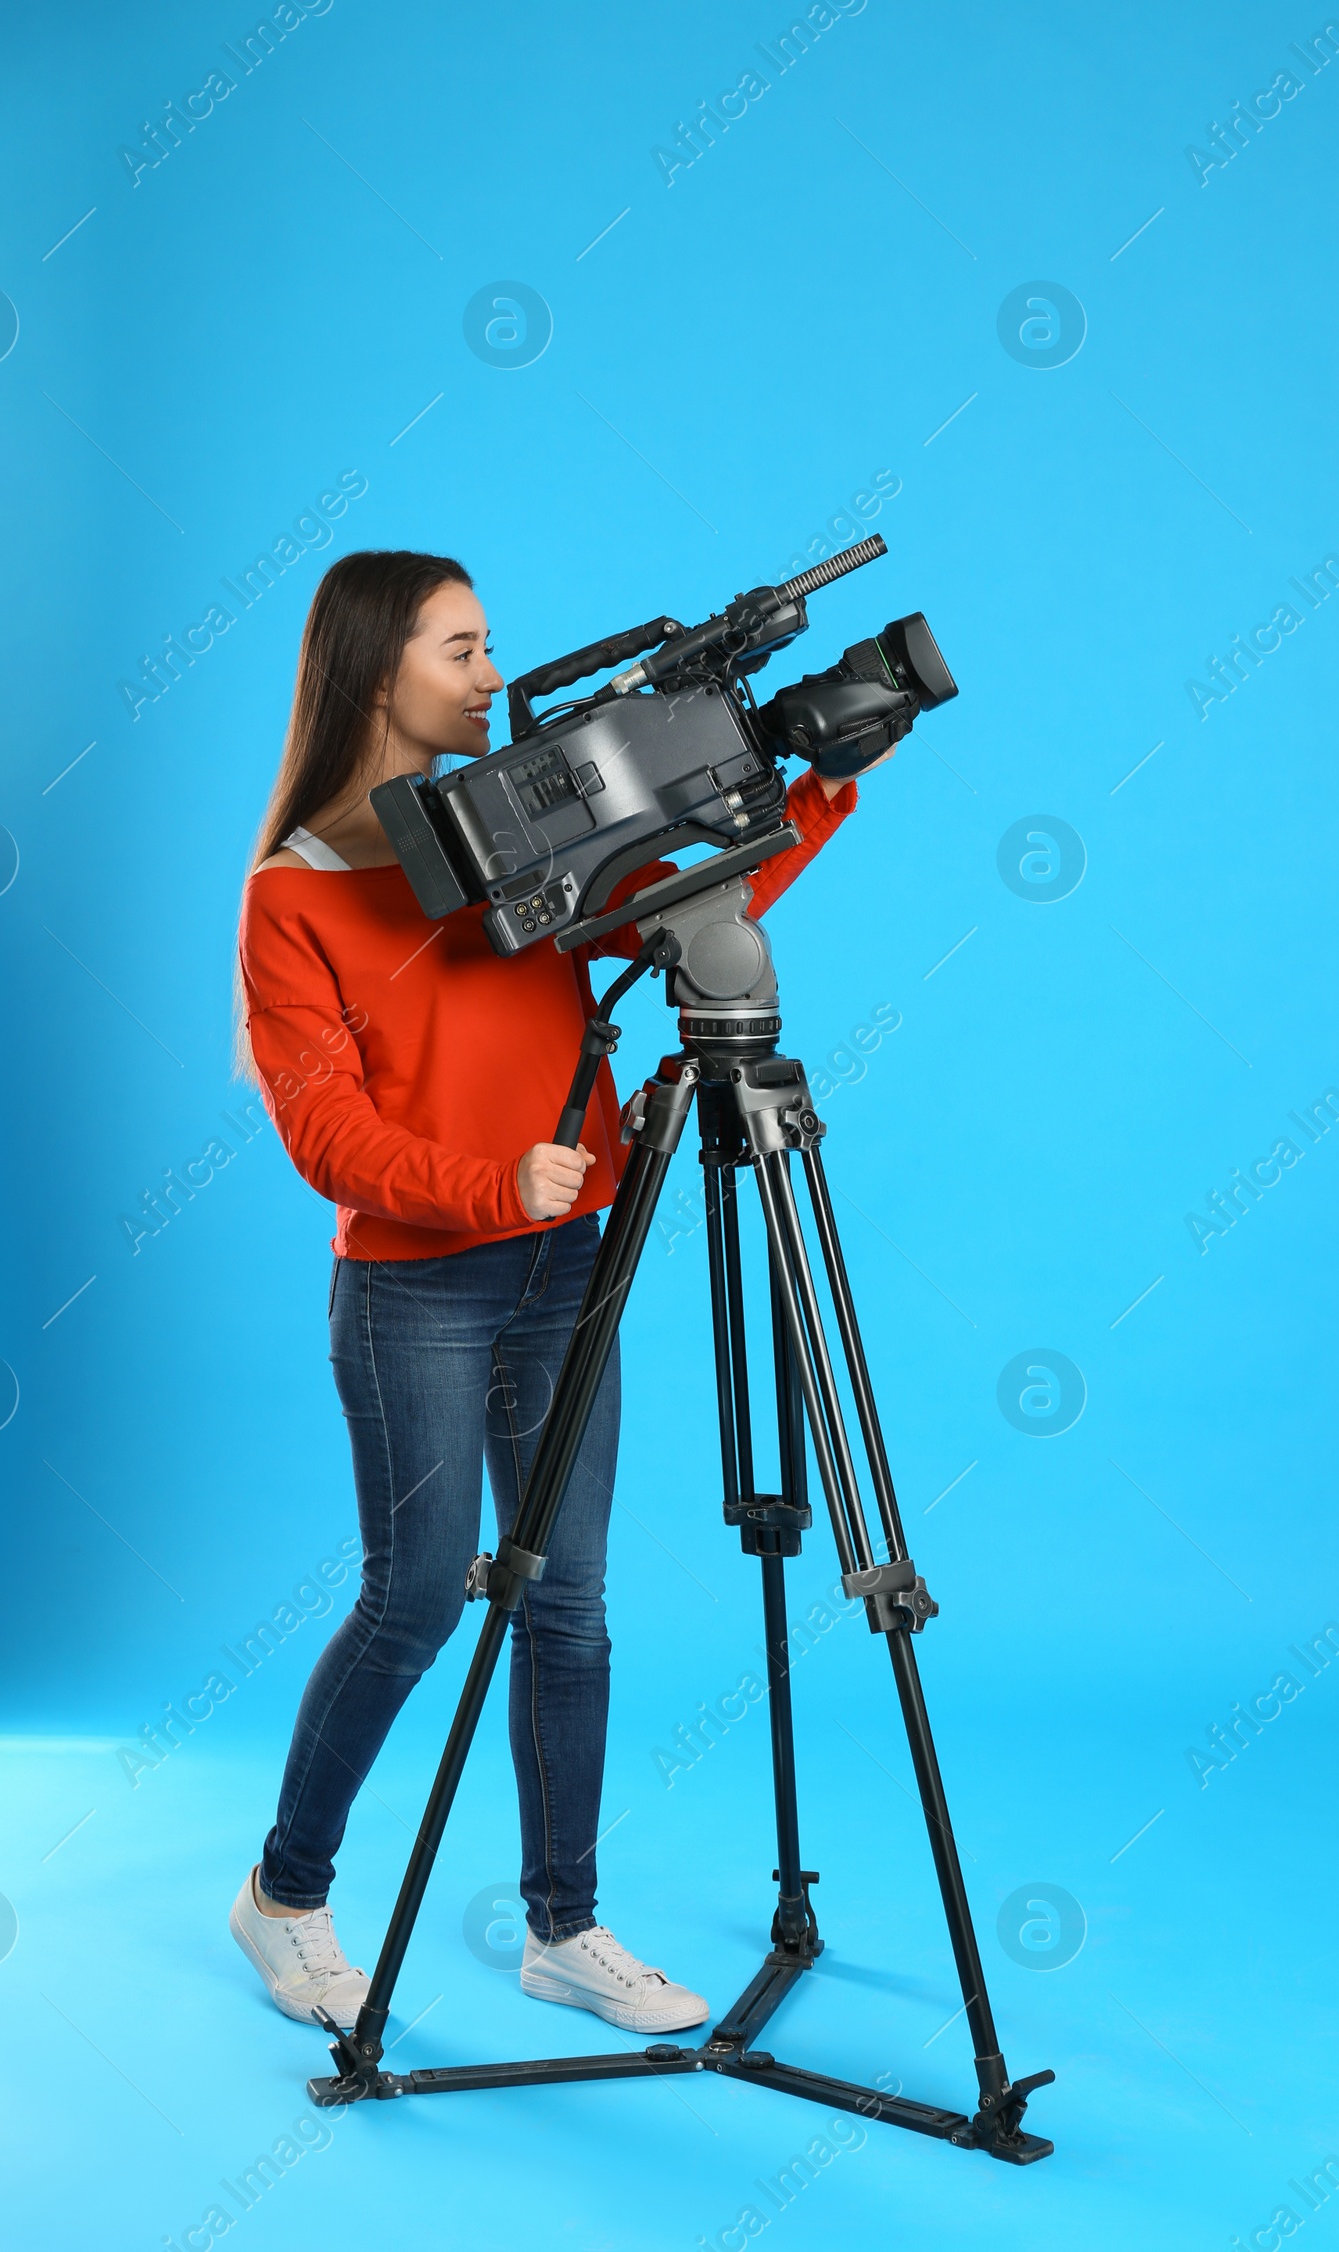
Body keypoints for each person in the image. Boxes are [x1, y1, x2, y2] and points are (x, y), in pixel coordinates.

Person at [228, 548, 874, 2036]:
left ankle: (562, 1927)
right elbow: (323, 1132)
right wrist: (485, 1188)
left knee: (569, 1605)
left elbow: (689, 902)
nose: (490, 674)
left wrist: (831, 774)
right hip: (416, 1293)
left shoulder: (518, 826)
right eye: (459, 651)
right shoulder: (297, 895)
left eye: (488, 644)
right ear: (373, 671)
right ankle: (284, 1895)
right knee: (413, 1602)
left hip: (567, 1263)